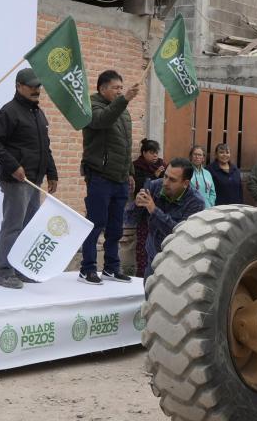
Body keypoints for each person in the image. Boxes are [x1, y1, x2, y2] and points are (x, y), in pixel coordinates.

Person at [0, 68, 58, 290]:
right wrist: (13, 166)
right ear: (19, 86)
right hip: (16, 180)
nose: (37, 90)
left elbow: (45, 147)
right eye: (32, 86)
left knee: (28, 227)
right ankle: (4, 271)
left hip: (34, 180)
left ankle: (20, 269)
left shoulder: (38, 113)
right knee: (13, 226)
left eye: (38, 86)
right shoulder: (9, 112)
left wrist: (51, 173)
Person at [79, 70, 140, 285]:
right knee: (96, 223)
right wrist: (124, 100)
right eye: (116, 88)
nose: (120, 92)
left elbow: (125, 144)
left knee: (116, 227)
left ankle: (112, 268)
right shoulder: (91, 107)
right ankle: (87, 268)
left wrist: (129, 172)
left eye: (121, 88)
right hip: (100, 176)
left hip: (120, 178)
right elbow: (102, 121)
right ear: (102, 88)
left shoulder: (122, 111)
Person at [135, 158, 206, 278]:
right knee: (150, 295)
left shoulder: (196, 202)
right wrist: (137, 205)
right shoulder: (155, 186)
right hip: (153, 259)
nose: (165, 183)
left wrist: (154, 210)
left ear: (185, 183)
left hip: (178, 263)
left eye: (172, 180)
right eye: (165, 176)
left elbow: (179, 235)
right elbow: (130, 219)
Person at [131, 138, 165, 275]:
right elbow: (139, 188)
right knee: (143, 244)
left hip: (159, 210)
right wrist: (153, 176)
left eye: (156, 152)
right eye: (151, 152)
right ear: (144, 153)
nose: (155, 155)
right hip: (143, 212)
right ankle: (141, 275)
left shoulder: (163, 165)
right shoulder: (137, 167)